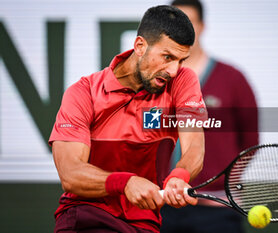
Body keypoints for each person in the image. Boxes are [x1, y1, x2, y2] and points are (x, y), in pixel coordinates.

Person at [49, 5, 208, 233]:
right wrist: (125, 183)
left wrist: (179, 176)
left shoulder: (182, 80)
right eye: (167, 57)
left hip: (144, 224)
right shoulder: (84, 92)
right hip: (87, 216)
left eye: (181, 60)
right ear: (140, 46)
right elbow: (70, 173)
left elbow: (194, 148)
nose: (173, 70)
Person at [160, 1, 259, 233]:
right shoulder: (154, 80)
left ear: (202, 27)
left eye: (189, 23)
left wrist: (223, 182)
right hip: (162, 207)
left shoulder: (233, 79)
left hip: (216, 211)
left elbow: (250, 141)